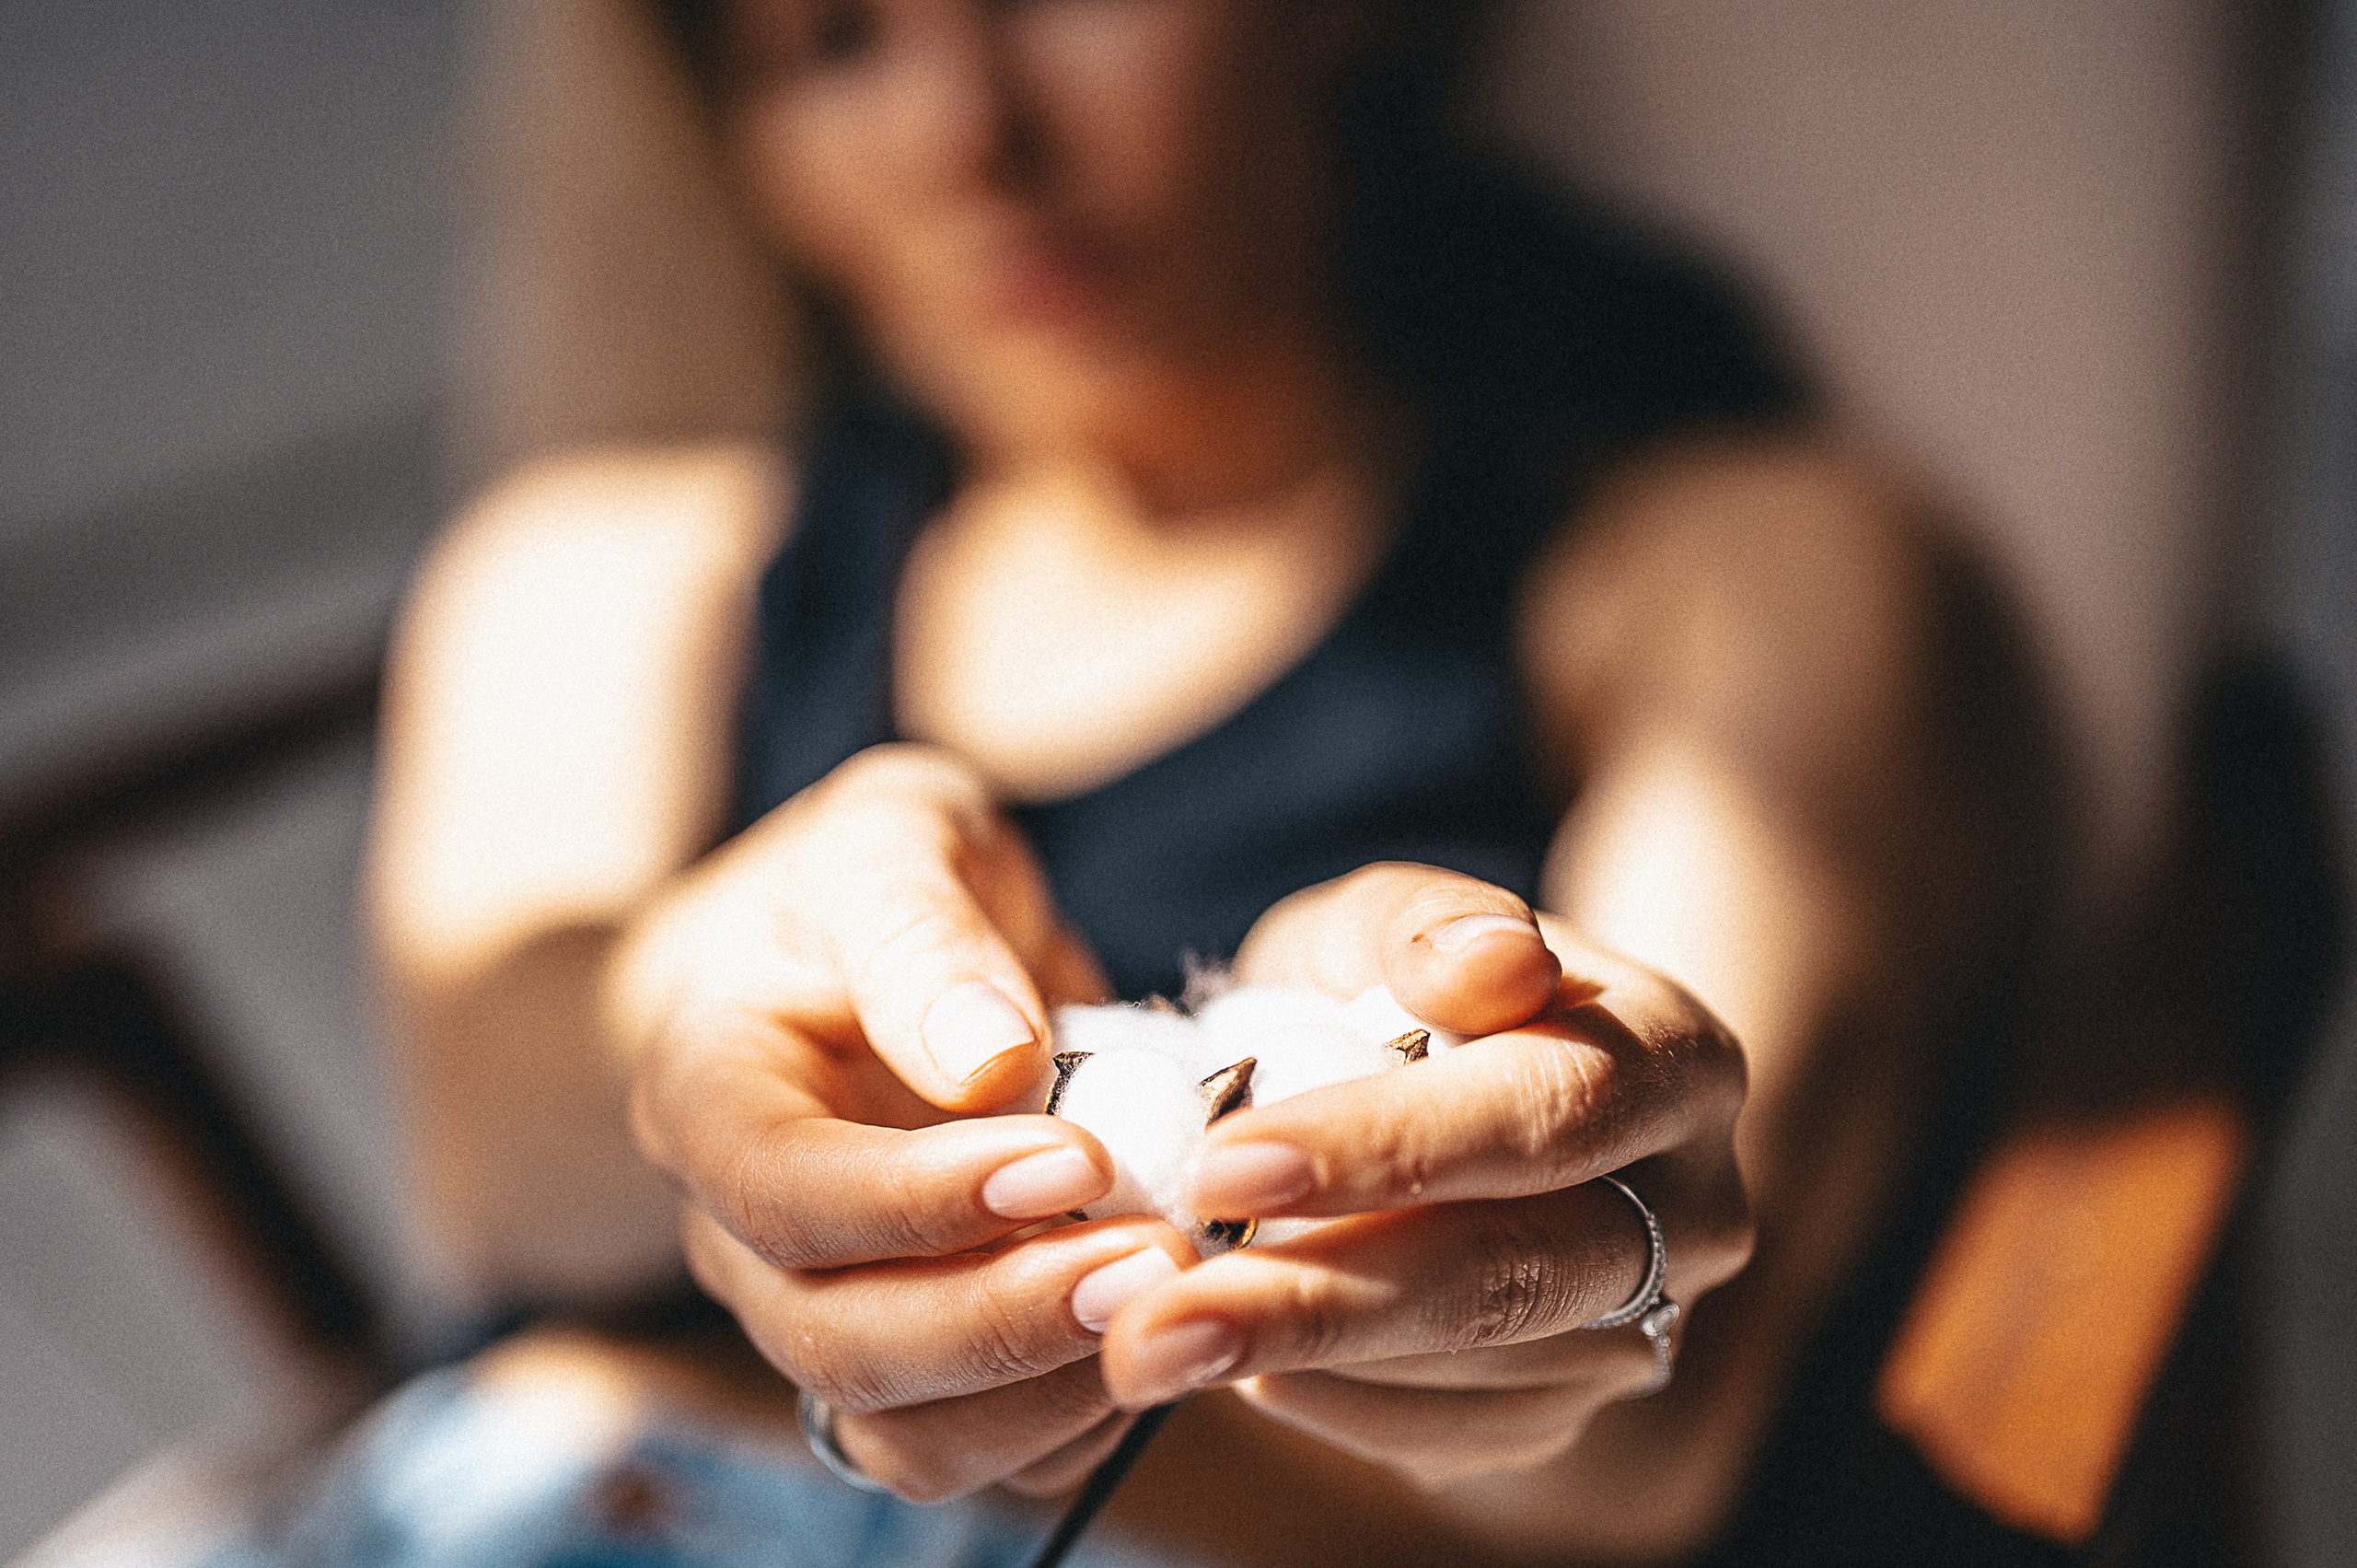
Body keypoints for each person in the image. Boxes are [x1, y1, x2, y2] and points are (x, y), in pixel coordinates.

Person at [332, 0, 2060, 1562]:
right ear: (758, 161)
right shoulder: (613, 580)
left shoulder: (1730, 572)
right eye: (837, 40)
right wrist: (708, 991)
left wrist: (1578, 1266)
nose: (971, 137)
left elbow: (1653, 1432)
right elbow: (491, 1145)